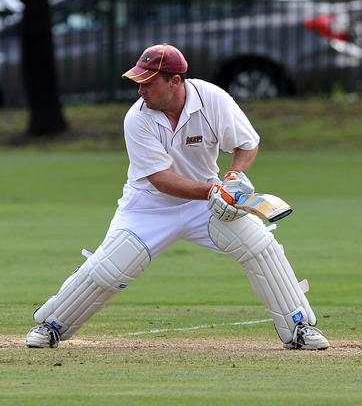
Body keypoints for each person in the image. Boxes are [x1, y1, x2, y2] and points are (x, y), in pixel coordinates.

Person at [26, 43, 329, 350]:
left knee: (260, 246)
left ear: (174, 81)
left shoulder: (213, 99)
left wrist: (235, 177)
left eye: (148, 82)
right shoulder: (137, 118)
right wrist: (214, 190)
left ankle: (299, 327)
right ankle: (51, 324)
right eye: (139, 82)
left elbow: (247, 143)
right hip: (148, 207)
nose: (141, 90)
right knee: (112, 266)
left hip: (206, 206)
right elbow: (160, 179)